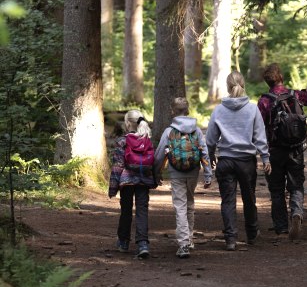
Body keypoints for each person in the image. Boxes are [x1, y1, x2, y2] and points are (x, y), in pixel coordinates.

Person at [206, 70, 271, 251]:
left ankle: (230, 239)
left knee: (228, 200)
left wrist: (210, 157)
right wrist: (265, 157)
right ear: (243, 85)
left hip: (226, 161)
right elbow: (260, 136)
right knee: (249, 198)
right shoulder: (252, 108)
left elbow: (210, 139)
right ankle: (252, 234)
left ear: (228, 87)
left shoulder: (218, 110)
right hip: (246, 162)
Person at [257, 63, 307, 240]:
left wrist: (261, 152)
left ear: (267, 82)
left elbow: (259, 127)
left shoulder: (264, 101)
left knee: (276, 190)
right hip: (296, 149)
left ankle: (281, 227)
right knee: (296, 185)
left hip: (274, 151)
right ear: (281, 78)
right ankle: (297, 213)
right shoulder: (295, 95)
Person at [154, 97, 212, 259]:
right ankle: (190, 239)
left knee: (180, 205)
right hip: (193, 171)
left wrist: (156, 172)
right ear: (188, 110)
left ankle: (184, 243)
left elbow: (159, 154)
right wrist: (207, 173)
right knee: (190, 203)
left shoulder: (169, 131)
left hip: (176, 172)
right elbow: (204, 152)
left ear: (173, 111)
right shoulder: (197, 130)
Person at [108, 109, 157, 258]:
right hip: (143, 181)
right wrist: (154, 179)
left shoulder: (122, 141)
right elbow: (153, 162)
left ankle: (123, 242)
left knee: (126, 211)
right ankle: (143, 244)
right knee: (142, 211)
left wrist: (113, 187)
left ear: (127, 123)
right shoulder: (147, 140)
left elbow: (118, 165)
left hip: (126, 181)